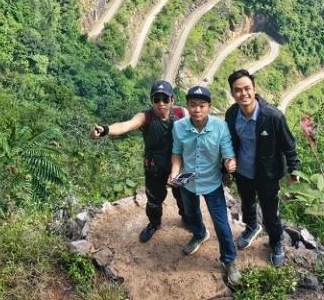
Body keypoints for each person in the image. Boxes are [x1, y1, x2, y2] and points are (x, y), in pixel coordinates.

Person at [93, 80, 188, 243]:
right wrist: (105, 130)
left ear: (172, 100)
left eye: (165, 99)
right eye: (156, 99)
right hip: (154, 167)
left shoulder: (181, 114)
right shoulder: (146, 117)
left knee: (184, 196)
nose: (161, 104)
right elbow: (125, 125)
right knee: (154, 202)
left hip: (178, 165)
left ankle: (187, 218)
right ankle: (154, 224)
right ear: (151, 101)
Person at [225, 69, 301, 267]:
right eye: (238, 90)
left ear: (254, 89)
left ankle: (276, 243)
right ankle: (251, 227)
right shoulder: (232, 114)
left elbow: (289, 146)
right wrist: (227, 161)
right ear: (232, 94)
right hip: (243, 172)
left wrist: (294, 171)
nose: (244, 94)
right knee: (247, 203)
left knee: (270, 212)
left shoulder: (273, 116)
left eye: (247, 88)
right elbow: (228, 141)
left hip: (267, 174)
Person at [169, 85, 242, 286]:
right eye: (193, 105)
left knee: (221, 223)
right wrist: (175, 171)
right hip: (187, 177)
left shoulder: (220, 127)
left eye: (202, 105)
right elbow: (176, 152)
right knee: (191, 213)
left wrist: (230, 162)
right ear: (187, 106)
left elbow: (228, 152)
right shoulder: (179, 127)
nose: (197, 110)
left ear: (209, 106)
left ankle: (229, 261)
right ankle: (200, 234)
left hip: (211, 180)